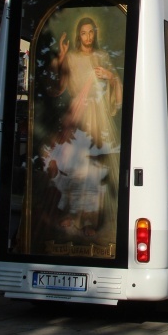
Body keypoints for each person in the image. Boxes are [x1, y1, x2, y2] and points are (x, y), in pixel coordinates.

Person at [47, 16, 123, 237]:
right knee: (74, 165)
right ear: (78, 35)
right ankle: (71, 212)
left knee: (93, 167)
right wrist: (61, 57)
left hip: (98, 118)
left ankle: (90, 218)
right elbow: (59, 87)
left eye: (91, 32)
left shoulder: (102, 56)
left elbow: (117, 84)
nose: (88, 37)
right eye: (84, 33)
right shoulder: (71, 57)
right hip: (78, 116)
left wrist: (110, 76)